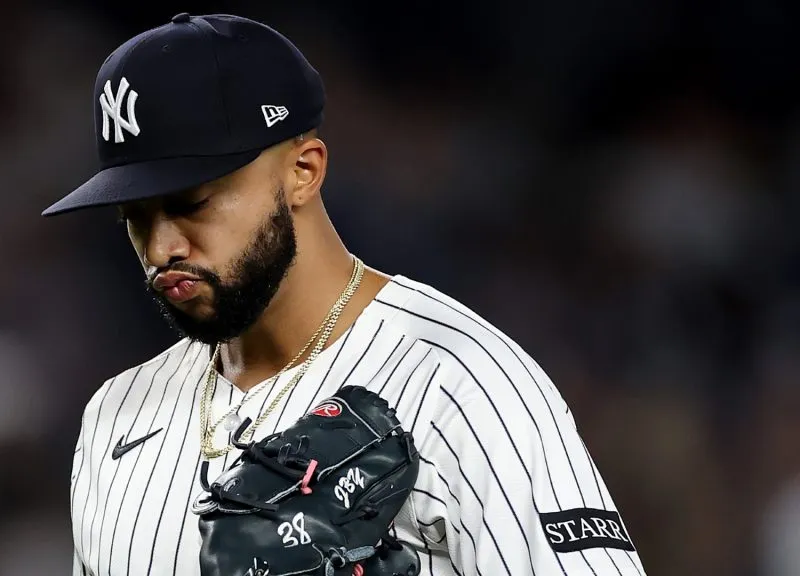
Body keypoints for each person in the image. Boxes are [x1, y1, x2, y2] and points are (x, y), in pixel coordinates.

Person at [44, 12, 647, 576]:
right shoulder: (113, 417)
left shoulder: (458, 382)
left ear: (303, 171)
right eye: (135, 215)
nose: (161, 246)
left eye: (190, 203)